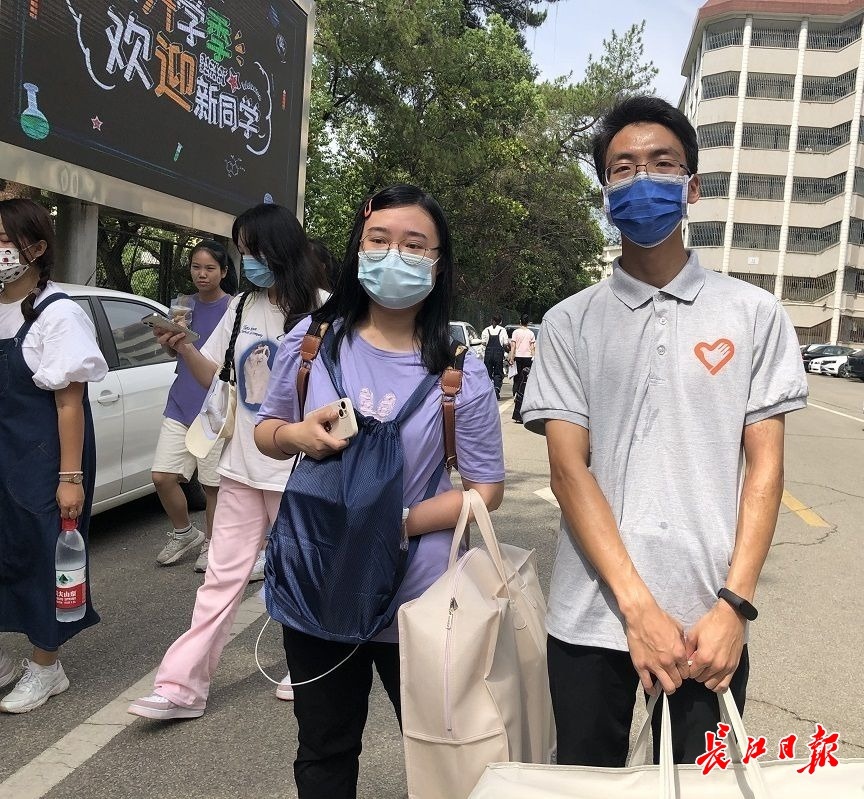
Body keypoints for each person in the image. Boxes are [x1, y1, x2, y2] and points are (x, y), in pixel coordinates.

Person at [520, 95, 809, 766]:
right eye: (623, 168)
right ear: (605, 193)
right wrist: (638, 609)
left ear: (692, 186)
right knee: (585, 784)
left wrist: (735, 604)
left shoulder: (753, 314)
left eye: (661, 163)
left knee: (699, 785)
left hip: (710, 624)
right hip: (590, 618)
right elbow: (568, 469)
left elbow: (765, 470)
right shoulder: (568, 323)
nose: (642, 179)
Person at [254, 184, 505, 799]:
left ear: (438, 263)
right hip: (319, 579)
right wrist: (296, 435)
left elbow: (486, 489)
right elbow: (266, 432)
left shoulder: (458, 369)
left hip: (417, 593)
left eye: (415, 245)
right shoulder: (311, 343)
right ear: (358, 247)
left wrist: (400, 522)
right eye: (379, 240)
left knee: (445, 752)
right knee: (324, 749)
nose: (395, 255)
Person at [127, 203, 326, 720]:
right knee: (219, 577)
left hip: (300, 471)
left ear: (281, 249)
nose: (247, 262)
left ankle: (309, 667)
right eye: (242, 252)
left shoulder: (327, 311)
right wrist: (181, 347)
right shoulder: (241, 308)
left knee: (303, 573)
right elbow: (215, 376)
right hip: (241, 464)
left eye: (253, 251)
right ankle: (182, 687)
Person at [0, 198, 108, 713]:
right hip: (4, 454)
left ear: (36, 247)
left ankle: (47, 666)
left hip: (44, 459)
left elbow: (69, 404)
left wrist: (71, 477)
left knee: (45, 556)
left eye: (3, 240)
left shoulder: (58, 313)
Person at [152, 241, 234, 573]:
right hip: (181, 400)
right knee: (162, 476)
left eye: (209, 268)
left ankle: (213, 543)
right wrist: (168, 338)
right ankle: (185, 533)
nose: (202, 274)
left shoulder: (234, 308)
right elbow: (175, 352)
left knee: (213, 485)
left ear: (224, 272)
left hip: (215, 406)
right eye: (196, 267)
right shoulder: (183, 305)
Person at [509, 313, 535, 422]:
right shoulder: (531, 333)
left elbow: (513, 346)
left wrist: (511, 357)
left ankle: (516, 395)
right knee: (526, 379)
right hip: (528, 357)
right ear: (528, 322)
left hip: (518, 357)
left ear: (520, 322)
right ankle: (524, 395)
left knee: (517, 377)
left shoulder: (516, 332)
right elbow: (532, 347)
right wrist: (534, 357)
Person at [480, 314, 508, 399]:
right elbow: (505, 343)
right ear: (500, 322)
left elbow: (483, 343)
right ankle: (496, 389)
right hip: (498, 354)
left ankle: (488, 390)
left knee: (488, 372)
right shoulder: (502, 330)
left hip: (488, 353)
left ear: (492, 320)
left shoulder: (486, 330)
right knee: (498, 372)